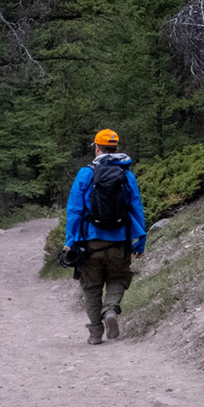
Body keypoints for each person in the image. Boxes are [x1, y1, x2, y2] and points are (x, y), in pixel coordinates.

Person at [63, 129, 146, 344]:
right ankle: (110, 309)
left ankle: (95, 333)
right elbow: (136, 208)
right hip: (120, 241)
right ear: (116, 148)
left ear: (97, 148)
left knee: (91, 286)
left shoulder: (85, 173)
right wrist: (140, 240)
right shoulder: (127, 175)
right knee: (118, 278)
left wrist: (70, 242)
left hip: (89, 243)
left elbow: (74, 210)